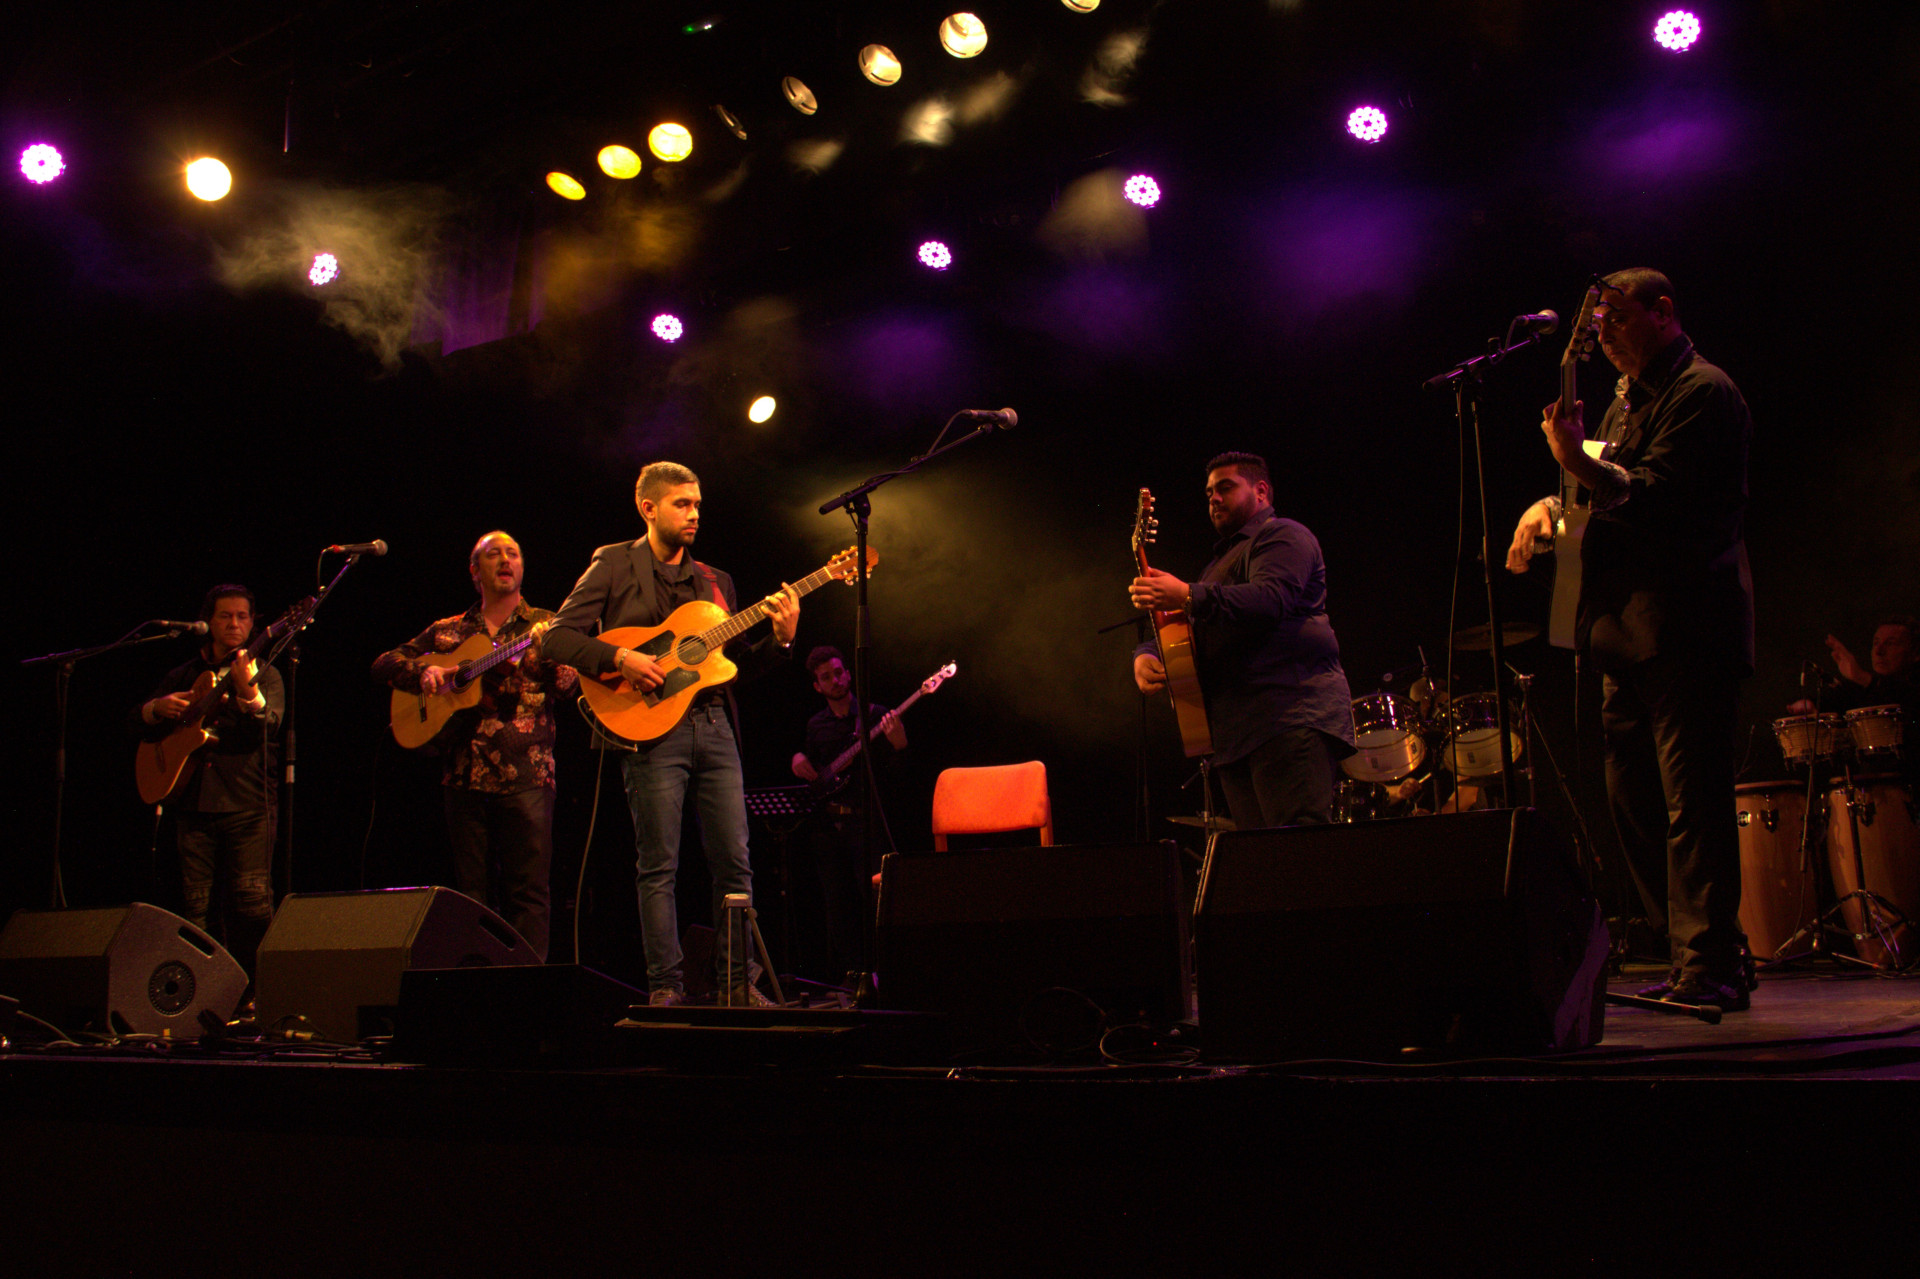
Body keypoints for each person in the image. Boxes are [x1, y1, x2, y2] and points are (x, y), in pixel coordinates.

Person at [1506, 268, 1755, 1012]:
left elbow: (1654, 497)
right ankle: (1709, 951)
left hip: (1687, 629)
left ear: (1663, 311)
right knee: (1633, 801)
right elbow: (1601, 493)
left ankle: (1707, 962)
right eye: (1597, 326)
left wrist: (1575, 460)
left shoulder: (1703, 391)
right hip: (1624, 633)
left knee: (1693, 805)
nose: (1603, 338)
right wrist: (1552, 500)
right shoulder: (1624, 400)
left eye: (1614, 320)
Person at [542, 462, 799, 1007]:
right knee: (659, 863)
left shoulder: (716, 582)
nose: (695, 514)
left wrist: (779, 642)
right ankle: (666, 988)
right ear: (649, 508)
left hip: (714, 727)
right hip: (650, 733)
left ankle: (736, 984)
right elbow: (557, 639)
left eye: (698, 504)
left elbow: (730, 671)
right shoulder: (612, 563)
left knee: (734, 858)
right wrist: (620, 657)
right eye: (683, 504)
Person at [371, 531, 577, 961]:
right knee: (470, 897)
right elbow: (384, 663)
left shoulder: (547, 623)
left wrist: (559, 657)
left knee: (529, 896)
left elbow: (568, 685)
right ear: (474, 571)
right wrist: (423, 675)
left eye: (513, 553)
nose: (505, 560)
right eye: (494, 554)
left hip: (528, 776)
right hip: (462, 776)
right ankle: (476, 985)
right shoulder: (449, 632)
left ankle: (528, 990)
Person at [1130, 451, 1356, 830]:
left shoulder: (1283, 534)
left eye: (1226, 487)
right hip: (1236, 735)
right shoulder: (1217, 566)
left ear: (1261, 491)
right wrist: (1146, 654)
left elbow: (1271, 600)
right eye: (1208, 493)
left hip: (1287, 716)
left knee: (1299, 853)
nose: (1213, 498)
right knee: (1262, 865)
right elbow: (1190, 626)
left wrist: (1186, 593)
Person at [132, 584, 283, 975]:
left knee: (251, 905)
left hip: (247, 805)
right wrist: (154, 709)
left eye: (243, 617)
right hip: (192, 804)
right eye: (224, 616)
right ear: (209, 621)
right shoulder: (181, 675)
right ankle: (197, 995)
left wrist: (248, 690)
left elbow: (268, 729)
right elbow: (139, 727)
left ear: (254, 624)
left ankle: (253, 994)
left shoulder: (267, 674)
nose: (234, 623)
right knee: (192, 908)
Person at [789, 645, 906, 982]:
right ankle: (853, 977)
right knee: (838, 908)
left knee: (878, 901)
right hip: (828, 829)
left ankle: (889, 973)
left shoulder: (874, 715)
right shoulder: (815, 725)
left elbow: (897, 779)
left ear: (849, 673)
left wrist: (899, 746)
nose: (835, 680)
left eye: (839, 672)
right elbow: (811, 768)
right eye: (826, 677)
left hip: (867, 824)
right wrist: (797, 758)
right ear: (817, 686)